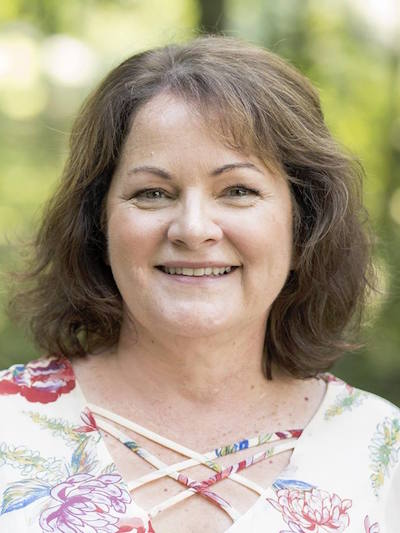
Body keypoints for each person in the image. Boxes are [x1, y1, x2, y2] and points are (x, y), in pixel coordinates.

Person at [0, 36, 398, 533]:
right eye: (152, 193)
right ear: (98, 225)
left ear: (303, 226)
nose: (192, 229)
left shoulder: (382, 453)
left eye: (237, 190)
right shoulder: (8, 428)